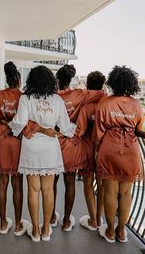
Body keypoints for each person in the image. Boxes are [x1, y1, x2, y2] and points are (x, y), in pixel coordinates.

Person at [10, 65, 76, 242]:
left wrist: (11, 127)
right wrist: (58, 131)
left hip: (31, 147)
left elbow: (19, 123)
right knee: (48, 190)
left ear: (31, 80)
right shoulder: (57, 100)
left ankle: (36, 231)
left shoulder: (26, 98)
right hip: (50, 149)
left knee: (33, 190)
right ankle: (46, 230)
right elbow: (65, 128)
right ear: (50, 81)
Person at [50, 64, 105, 230]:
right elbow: (97, 94)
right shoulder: (80, 94)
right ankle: (67, 221)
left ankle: (52, 217)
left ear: (57, 80)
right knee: (70, 182)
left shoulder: (52, 97)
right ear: (71, 79)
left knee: (52, 182)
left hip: (53, 142)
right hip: (71, 144)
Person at [94, 66, 144, 243]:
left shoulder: (105, 103)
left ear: (113, 82)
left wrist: (97, 151)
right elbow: (139, 129)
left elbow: (99, 132)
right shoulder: (137, 105)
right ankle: (121, 231)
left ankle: (109, 231)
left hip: (109, 149)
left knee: (109, 191)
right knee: (125, 193)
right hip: (131, 151)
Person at [0, 61, 29, 236]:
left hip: (2, 142)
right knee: (18, 184)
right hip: (19, 143)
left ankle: (2, 223)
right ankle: (17, 225)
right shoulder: (24, 97)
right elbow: (28, 123)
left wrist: (0, 131)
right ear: (18, 79)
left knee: (2, 182)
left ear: (8, 80)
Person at [76, 71, 106, 230]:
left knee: (88, 183)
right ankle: (100, 219)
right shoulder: (107, 104)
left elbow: (79, 131)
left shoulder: (85, 107)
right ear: (102, 85)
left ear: (87, 85)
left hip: (87, 148)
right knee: (101, 184)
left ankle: (92, 219)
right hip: (103, 148)